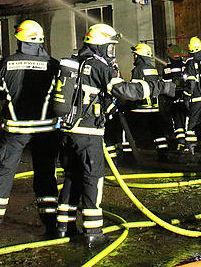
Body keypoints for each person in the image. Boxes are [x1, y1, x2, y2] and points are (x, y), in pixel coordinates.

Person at [55, 24, 176, 247]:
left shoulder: (76, 62)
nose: (112, 50)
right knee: (93, 179)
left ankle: (64, 226)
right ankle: (94, 232)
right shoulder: (99, 66)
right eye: (110, 46)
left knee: (72, 177)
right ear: (100, 46)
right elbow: (125, 91)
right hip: (88, 133)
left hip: (68, 132)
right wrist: (159, 88)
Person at [0, 20, 61, 238]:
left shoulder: (7, 63)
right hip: (46, 130)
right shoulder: (54, 65)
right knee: (46, 174)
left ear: (21, 39)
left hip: (15, 131)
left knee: (3, 172)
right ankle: (51, 224)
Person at [127, 43, 170, 160]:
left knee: (130, 130)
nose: (134, 58)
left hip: (140, 107)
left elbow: (134, 90)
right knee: (157, 131)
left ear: (140, 56)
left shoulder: (138, 70)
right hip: (154, 107)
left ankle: (128, 155)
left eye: (135, 55)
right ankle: (163, 153)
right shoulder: (153, 69)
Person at [161, 44, 189, 152]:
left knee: (177, 120)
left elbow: (165, 85)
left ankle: (180, 141)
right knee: (186, 119)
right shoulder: (186, 66)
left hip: (172, 99)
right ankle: (189, 141)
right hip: (186, 97)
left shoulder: (166, 69)